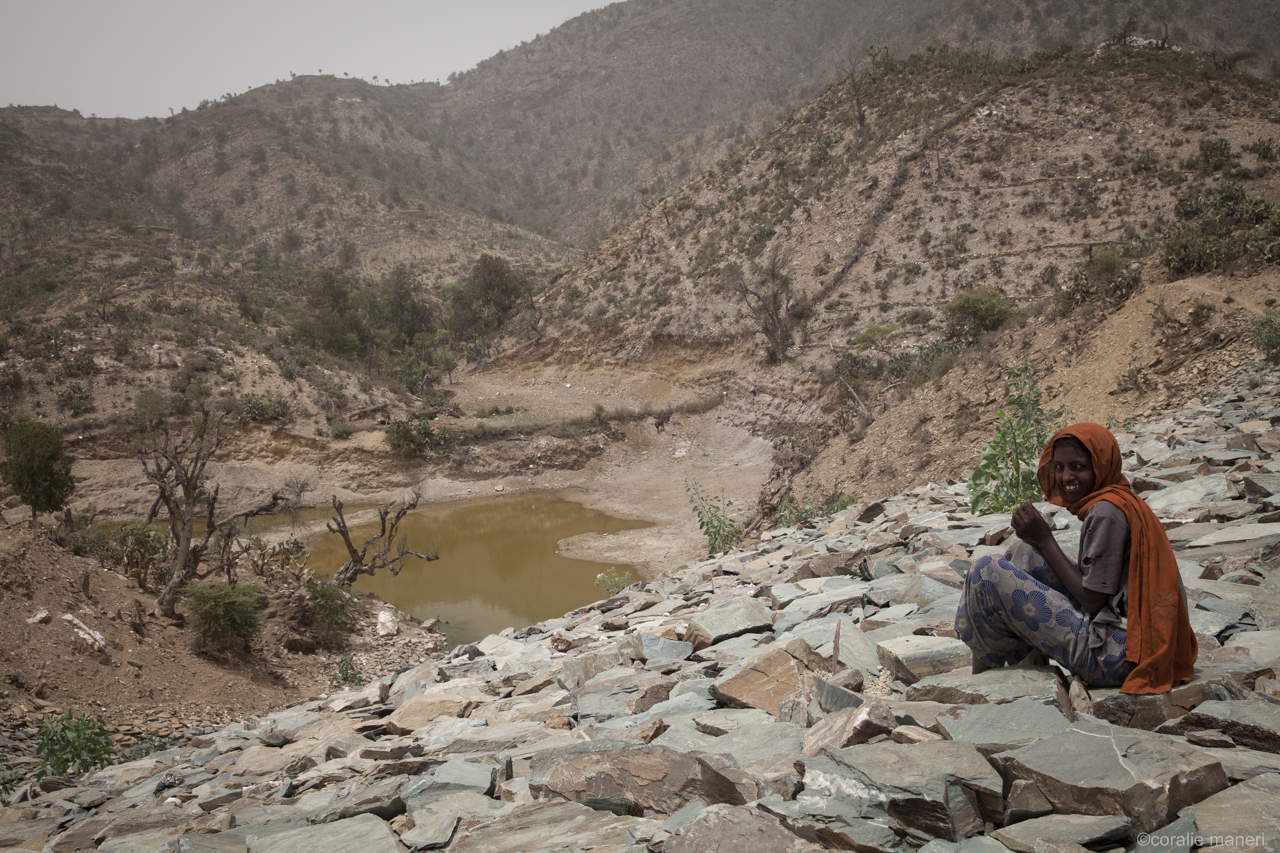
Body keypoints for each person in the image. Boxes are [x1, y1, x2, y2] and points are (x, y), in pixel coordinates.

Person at [954, 422, 1197, 693]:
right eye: (1059, 467)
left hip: (1118, 654)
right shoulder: (1117, 498)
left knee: (986, 570)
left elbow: (1093, 600)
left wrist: (1045, 539)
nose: (1066, 477)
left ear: (1101, 466)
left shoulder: (1106, 512)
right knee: (1024, 552)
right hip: (1128, 638)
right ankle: (1026, 664)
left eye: (1078, 467)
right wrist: (1036, 542)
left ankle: (980, 687)